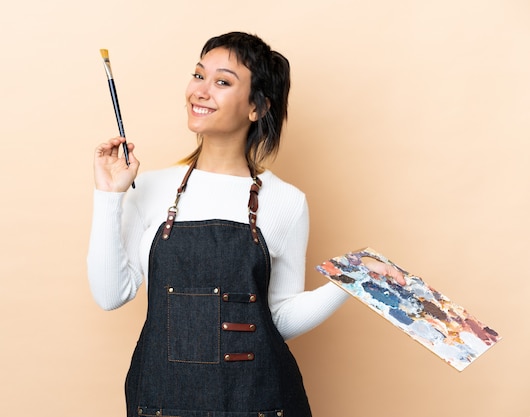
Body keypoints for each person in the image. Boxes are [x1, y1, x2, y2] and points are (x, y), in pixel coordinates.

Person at [87, 31, 405, 417]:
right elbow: (110, 295)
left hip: (258, 401)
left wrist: (354, 278)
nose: (201, 91)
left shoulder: (286, 202)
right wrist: (108, 195)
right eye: (199, 75)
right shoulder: (149, 187)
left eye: (222, 82)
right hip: (162, 402)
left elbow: (278, 319)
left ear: (257, 107)